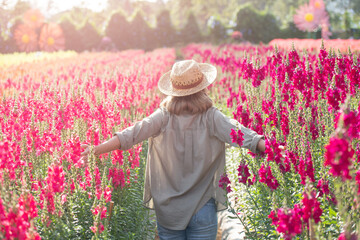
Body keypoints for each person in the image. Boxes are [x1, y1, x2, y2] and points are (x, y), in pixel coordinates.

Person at [80, 59, 265, 240]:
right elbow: (245, 136)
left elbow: (130, 135)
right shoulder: (212, 117)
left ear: (174, 91)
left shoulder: (162, 117)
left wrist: (96, 149)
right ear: (202, 87)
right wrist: (273, 149)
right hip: (203, 207)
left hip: (168, 210)